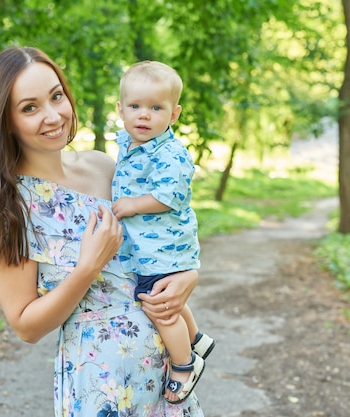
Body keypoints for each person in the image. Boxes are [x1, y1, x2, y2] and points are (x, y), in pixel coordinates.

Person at [0, 46, 205, 416]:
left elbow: (165, 229)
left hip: (167, 374)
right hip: (100, 383)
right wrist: (86, 269)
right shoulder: (8, 210)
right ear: (5, 119)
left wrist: (189, 275)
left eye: (56, 96)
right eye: (30, 107)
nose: (53, 115)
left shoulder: (104, 166)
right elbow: (25, 325)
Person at [111, 61, 215, 404]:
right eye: (135, 106)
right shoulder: (127, 141)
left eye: (156, 108)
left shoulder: (170, 154)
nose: (144, 115)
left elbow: (169, 196)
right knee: (165, 292)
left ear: (174, 114)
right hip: (148, 246)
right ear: (120, 109)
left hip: (165, 246)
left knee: (159, 303)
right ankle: (197, 337)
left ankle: (186, 364)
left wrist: (133, 204)